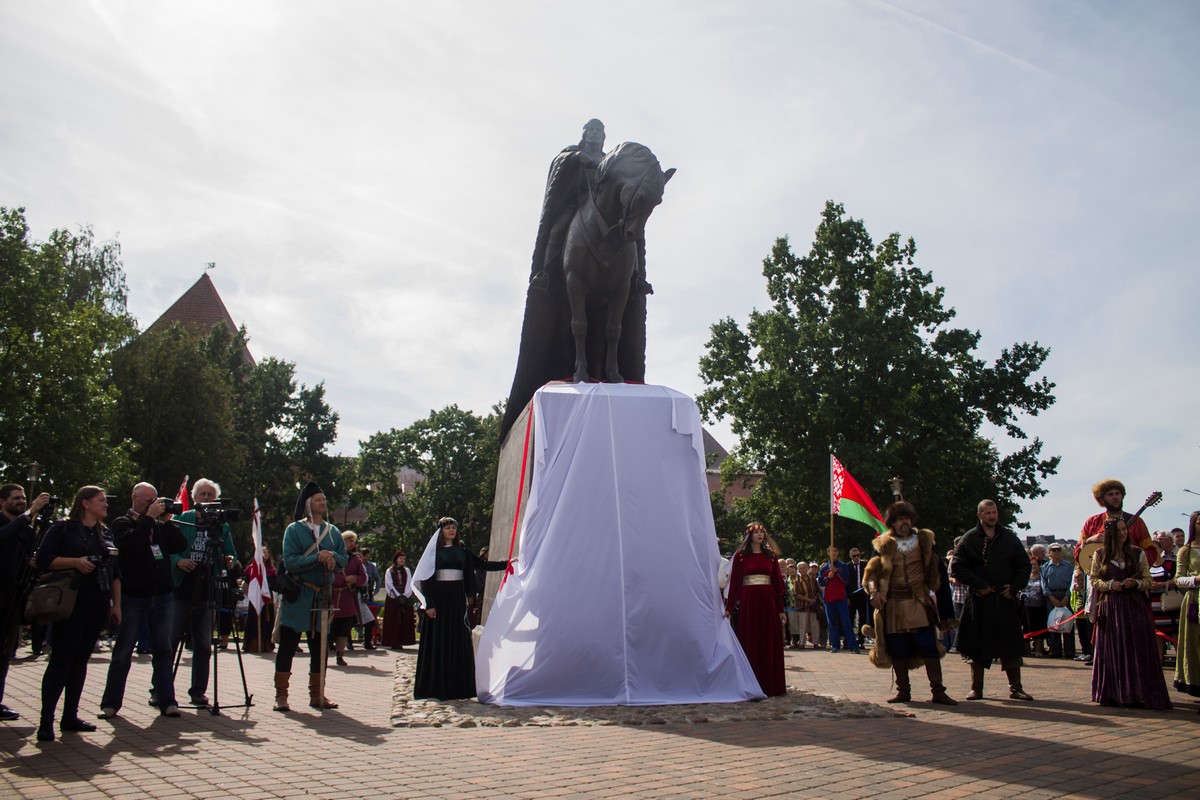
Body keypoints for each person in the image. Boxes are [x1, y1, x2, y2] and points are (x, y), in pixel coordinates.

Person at [34, 486, 121, 742]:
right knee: (61, 660)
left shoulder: (104, 532)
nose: (105, 504)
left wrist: (116, 605)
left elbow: (115, 571)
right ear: (85, 503)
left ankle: (69, 715)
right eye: (100, 500)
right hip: (69, 603)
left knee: (81, 661)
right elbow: (43, 560)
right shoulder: (63, 528)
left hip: (96, 602)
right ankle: (46, 720)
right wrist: (75, 562)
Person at [98, 483, 187, 719]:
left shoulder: (159, 525)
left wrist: (166, 521)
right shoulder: (122, 523)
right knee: (123, 651)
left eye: (154, 500)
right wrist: (148, 518)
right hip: (133, 597)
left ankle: (167, 700)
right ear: (134, 498)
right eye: (147, 500)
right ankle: (111, 703)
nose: (152, 504)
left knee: (163, 650)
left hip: (162, 596)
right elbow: (130, 544)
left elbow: (180, 545)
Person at [862, 502, 956, 705]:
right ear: (892, 522)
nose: (904, 522)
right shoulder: (883, 544)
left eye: (907, 518)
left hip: (918, 602)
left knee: (929, 646)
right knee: (898, 649)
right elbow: (871, 574)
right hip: (894, 604)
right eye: (899, 519)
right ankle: (903, 691)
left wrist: (941, 604)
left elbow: (937, 571)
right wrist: (874, 591)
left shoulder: (924, 541)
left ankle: (938, 692)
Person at [412, 517, 509, 700]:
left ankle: (459, 687)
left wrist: (506, 564)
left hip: (457, 598)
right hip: (439, 598)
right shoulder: (434, 552)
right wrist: (430, 604)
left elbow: (481, 564)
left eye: (453, 528)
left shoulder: (461, 550)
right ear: (441, 531)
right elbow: (425, 578)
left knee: (457, 638)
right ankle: (437, 687)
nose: (451, 531)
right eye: (448, 528)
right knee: (440, 640)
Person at [273, 482, 347, 711]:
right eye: (318, 499)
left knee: (320, 649)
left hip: (322, 596)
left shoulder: (333, 532)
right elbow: (291, 562)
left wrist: (332, 556)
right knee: (287, 646)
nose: (323, 502)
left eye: (324, 499)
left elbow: (343, 560)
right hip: (299, 595)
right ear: (308, 504)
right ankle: (281, 696)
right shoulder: (294, 530)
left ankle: (318, 695)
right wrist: (317, 557)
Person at [953, 500, 1033, 701]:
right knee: (976, 644)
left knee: (1011, 644)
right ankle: (976, 688)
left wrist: (1014, 587)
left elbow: (1024, 565)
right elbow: (957, 567)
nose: (992, 516)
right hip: (979, 600)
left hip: (1004, 599)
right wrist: (978, 584)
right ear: (980, 515)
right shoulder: (969, 539)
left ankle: (1016, 687)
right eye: (987, 513)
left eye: (994, 512)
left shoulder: (1009, 538)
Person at [1088, 517, 1171, 709]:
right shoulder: (1100, 555)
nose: (1123, 533)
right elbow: (1094, 580)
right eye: (1119, 531)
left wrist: (1136, 583)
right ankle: (1115, 694)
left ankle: (1141, 693)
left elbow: (1148, 579)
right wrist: (1110, 584)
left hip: (1135, 607)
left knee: (1138, 648)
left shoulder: (1137, 553)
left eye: (1124, 529)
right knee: (1114, 649)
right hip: (1111, 608)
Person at [170, 478, 239, 707]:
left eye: (211, 495)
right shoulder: (181, 520)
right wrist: (178, 561)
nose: (207, 499)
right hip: (183, 586)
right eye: (203, 495)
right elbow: (166, 549)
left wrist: (229, 560)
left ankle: (198, 691)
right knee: (171, 640)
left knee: (202, 644)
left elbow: (231, 553)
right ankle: (160, 688)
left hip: (207, 587)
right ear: (195, 497)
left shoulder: (221, 525)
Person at [0, 484, 51, 721]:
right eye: (16, 498)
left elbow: (32, 548)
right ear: (2, 502)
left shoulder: (26, 526)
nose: (21, 501)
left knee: (5, 651)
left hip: (14, 595)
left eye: (23, 497)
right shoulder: (12, 523)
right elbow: (4, 537)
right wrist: (29, 513)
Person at [723, 523, 786, 695]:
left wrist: (781, 610)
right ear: (749, 536)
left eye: (761, 532)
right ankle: (751, 683)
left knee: (768, 640)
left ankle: (770, 685)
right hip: (749, 603)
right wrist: (728, 608)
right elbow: (735, 583)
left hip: (768, 602)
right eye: (756, 532)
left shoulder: (771, 556)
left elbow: (777, 585)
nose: (759, 534)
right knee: (751, 640)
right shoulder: (741, 556)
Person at [1170, 511, 1200, 700]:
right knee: (1196, 645)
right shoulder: (1186, 550)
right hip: (1195, 600)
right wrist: (1196, 579)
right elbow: (1178, 579)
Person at [331, 531, 365, 666]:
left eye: (353, 541)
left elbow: (363, 578)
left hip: (348, 598)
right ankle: (324, 654)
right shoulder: (333, 557)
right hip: (332, 596)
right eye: (349, 540)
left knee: (345, 629)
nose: (352, 543)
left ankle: (340, 654)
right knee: (330, 628)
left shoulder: (356, 560)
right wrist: (343, 579)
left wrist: (355, 579)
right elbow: (328, 575)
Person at [818, 545, 858, 654]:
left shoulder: (843, 566)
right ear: (828, 553)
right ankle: (835, 645)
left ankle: (853, 646)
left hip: (841, 598)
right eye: (831, 551)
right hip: (829, 599)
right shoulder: (824, 568)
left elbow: (846, 580)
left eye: (835, 551)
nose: (833, 553)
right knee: (831, 623)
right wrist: (829, 577)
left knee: (846, 622)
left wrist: (836, 572)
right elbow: (821, 582)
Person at [1040, 542, 1075, 658]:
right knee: (1053, 624)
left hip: (1065, 595)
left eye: (1058, 549)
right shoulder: (1044, 567)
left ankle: (1069, 651)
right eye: (1053, 550)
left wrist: (1067, 596)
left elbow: (1072, 582)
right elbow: (1043, 584)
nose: (1056, 552)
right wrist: (1051, 597)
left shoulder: (1069, 566)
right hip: (1051, 597)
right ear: (1049, 552)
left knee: (1068, 623)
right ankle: (1055, 650)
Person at [241, 545, 276, 653]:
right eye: (263, 552)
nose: (265, 554)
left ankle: (266, 645)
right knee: (254, 621)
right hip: (256, 599)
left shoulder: (271, 570)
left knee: (267, 621)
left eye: (267, 553)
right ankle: (253, 645)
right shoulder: (252, 568)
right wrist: (250, 594)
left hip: (267, 599)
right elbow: (246, 583)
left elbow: (274, 585)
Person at [380, 550, 416, 650]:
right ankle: (393, 641)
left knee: (405, 619)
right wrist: (397, 595)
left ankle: (404, 640)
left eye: (403, 559)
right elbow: (389, 584)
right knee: (393, 620)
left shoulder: (407, 570)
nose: (402, 560)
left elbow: (409, 582)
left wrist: (405, 595)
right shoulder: (389, 571)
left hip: (405, 597)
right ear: (396, 559)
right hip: (393, 598)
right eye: (400, 558)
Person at [792, 560, 822, 649]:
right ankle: (802, 643)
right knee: (803, 625)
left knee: (815, 625)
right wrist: (808, 600)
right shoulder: (797, 581)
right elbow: (796, 594)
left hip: (813, 607)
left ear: (807, 568)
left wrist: (814, 599)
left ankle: (816, 643)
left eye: (804, 568)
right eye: (800, 568)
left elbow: (818, 591)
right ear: (798, 570)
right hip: (802, 606)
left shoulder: (812, 579)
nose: (802, 570)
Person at [1021, 561, 1048, 657]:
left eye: (1035, 564)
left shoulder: (1042, 577)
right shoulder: (1025, 577)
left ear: (1039, 565)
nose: (1033, 566)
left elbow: (1045, 590)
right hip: (1026, 607)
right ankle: (1026, 650)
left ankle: (1038, 649)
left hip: (1040, 607)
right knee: (1026, 628)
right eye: (1031, 564)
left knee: (1039, 628)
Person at [357, 546, 381, 649]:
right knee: (354, 618)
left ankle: (367, 641)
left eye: (368, 555)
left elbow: (377, 579)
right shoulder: (357, 564)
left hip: (367, 594)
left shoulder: (371, 566)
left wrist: (375, 592)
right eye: (364, 555)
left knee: (369, 618)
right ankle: (358, 636)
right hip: (356, 593)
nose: (366, 557)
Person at [846, 546, 870, 642]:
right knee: (850, 617)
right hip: (851, 596)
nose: (856, 557)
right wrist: (846, 596)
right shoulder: (847, 566)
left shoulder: (865, 565)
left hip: (863, 595)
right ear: (850, 556)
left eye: (858, 555)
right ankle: (849, 639)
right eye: (854, 556)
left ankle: (861, 639)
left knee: (862, 618)